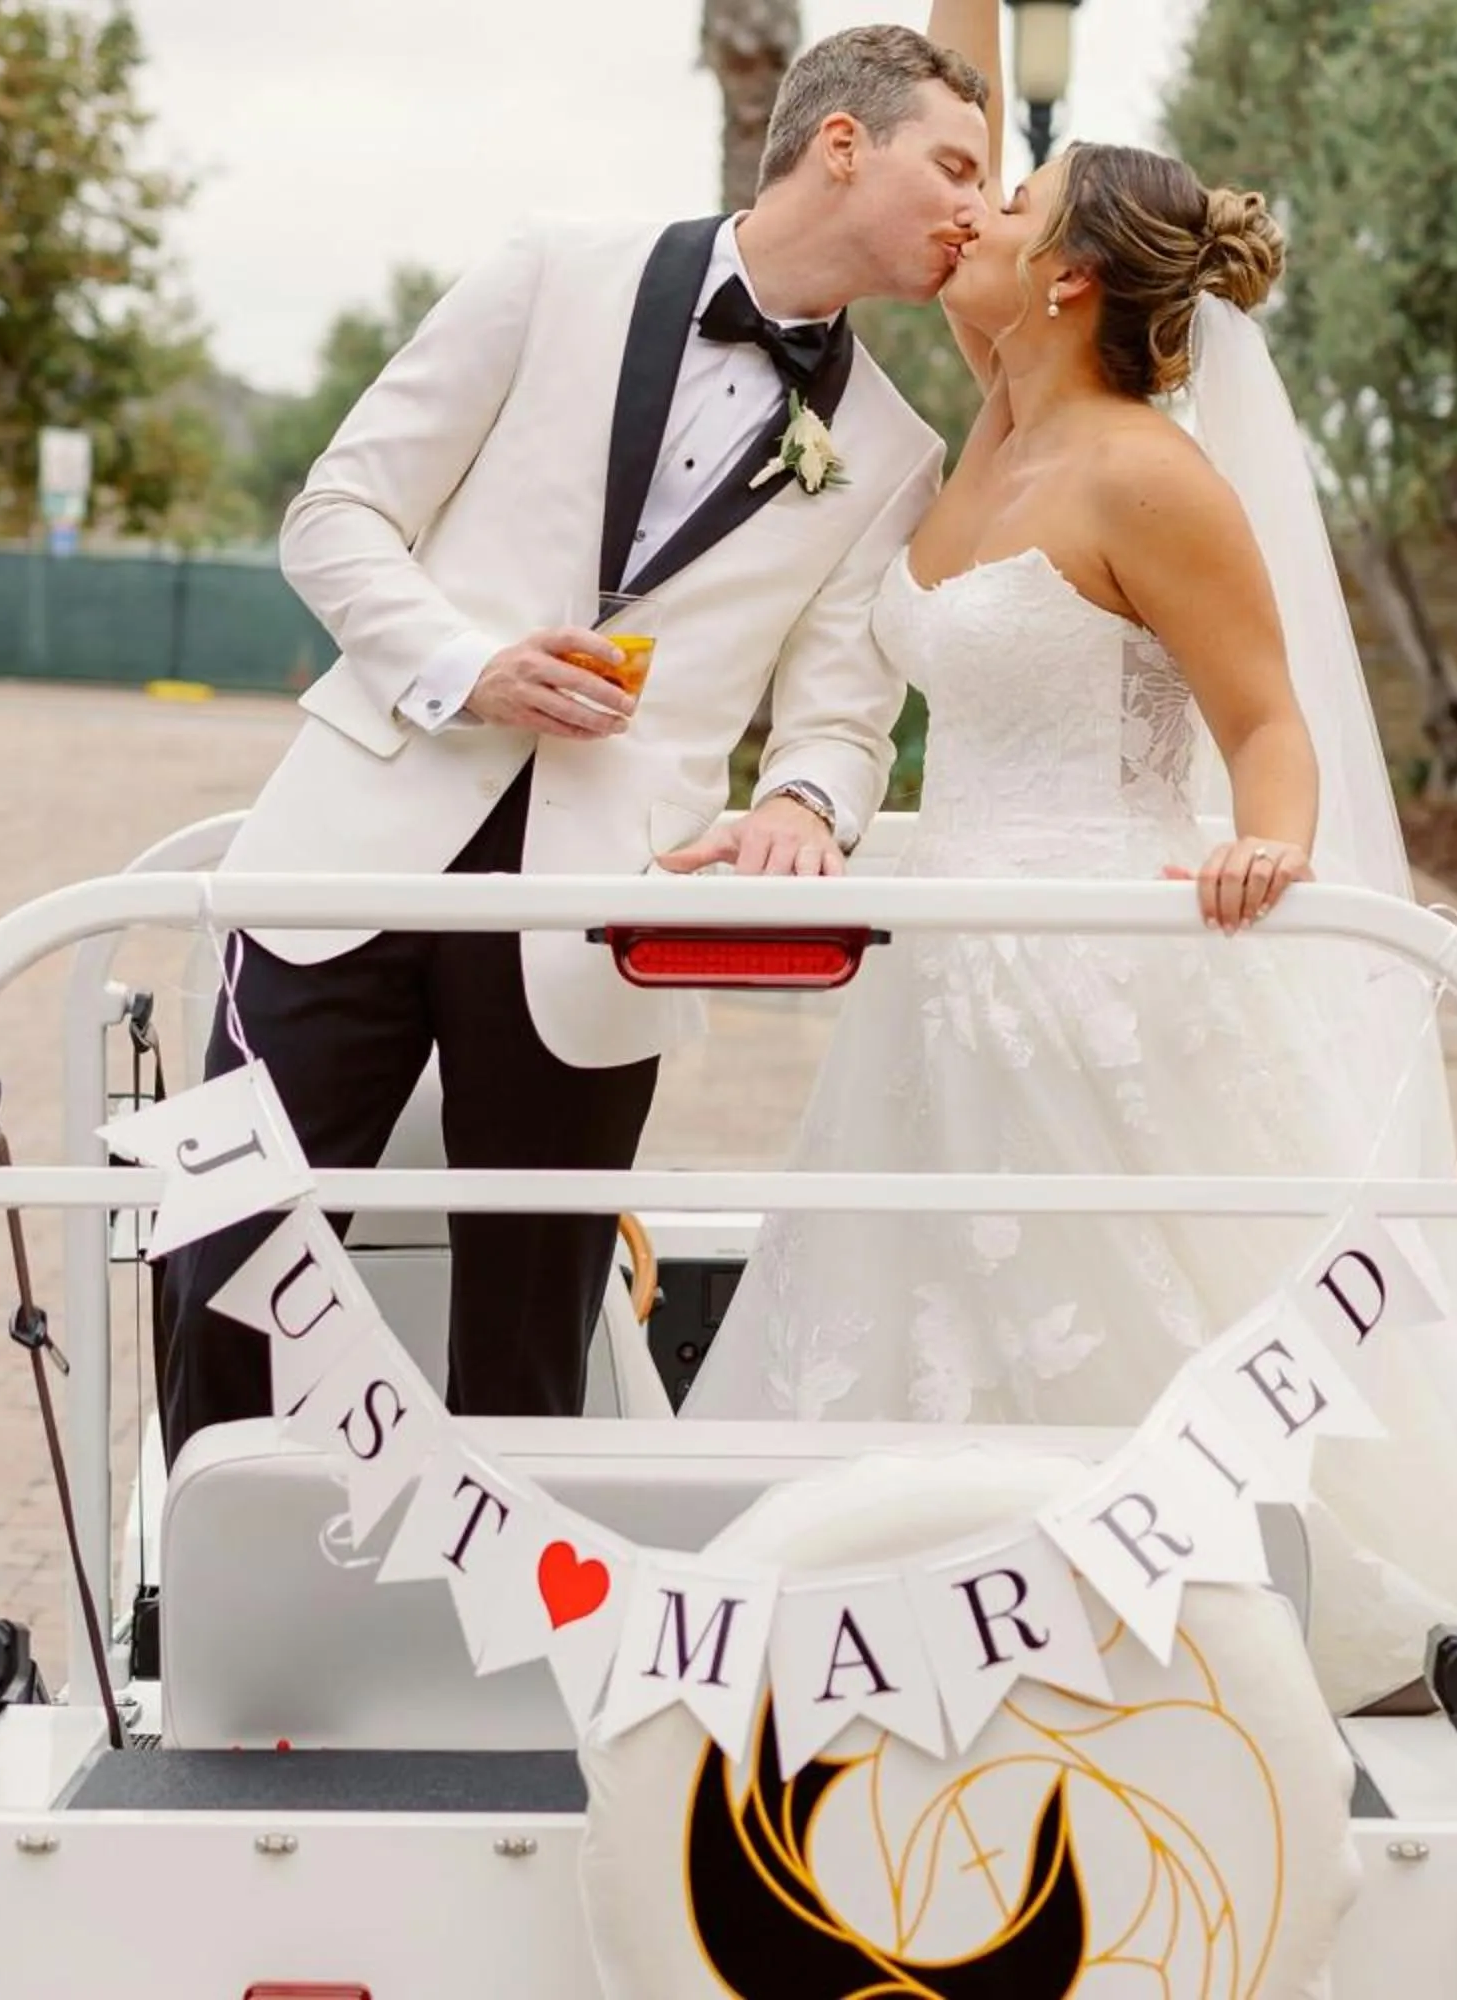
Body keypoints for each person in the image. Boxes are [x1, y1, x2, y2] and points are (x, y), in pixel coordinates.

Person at [685, 11, 1457, 1989]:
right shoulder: (974, 447)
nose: (972, 209)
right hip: (948, 986)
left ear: (1073, 279)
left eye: (1004, 194)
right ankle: (901, 1713)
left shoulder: (1149, 474)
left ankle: (1146, 1724)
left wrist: (1269, 848)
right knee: (913, 1323)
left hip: (1112, 986)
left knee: (1133, 1356)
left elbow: (1272, 729)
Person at [155, 27, 995, 1461]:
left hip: (605, 914)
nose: (976, 207)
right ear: (844, 145)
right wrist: (465, 666)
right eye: (957, 164)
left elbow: (842, 716)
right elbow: (336, 516)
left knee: (533, 1325)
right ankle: (208, 1627)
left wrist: (804, 804)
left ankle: (505, 1666)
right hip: (354, 853)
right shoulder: (552, 269)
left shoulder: (898, 450)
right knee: (225, 1254)